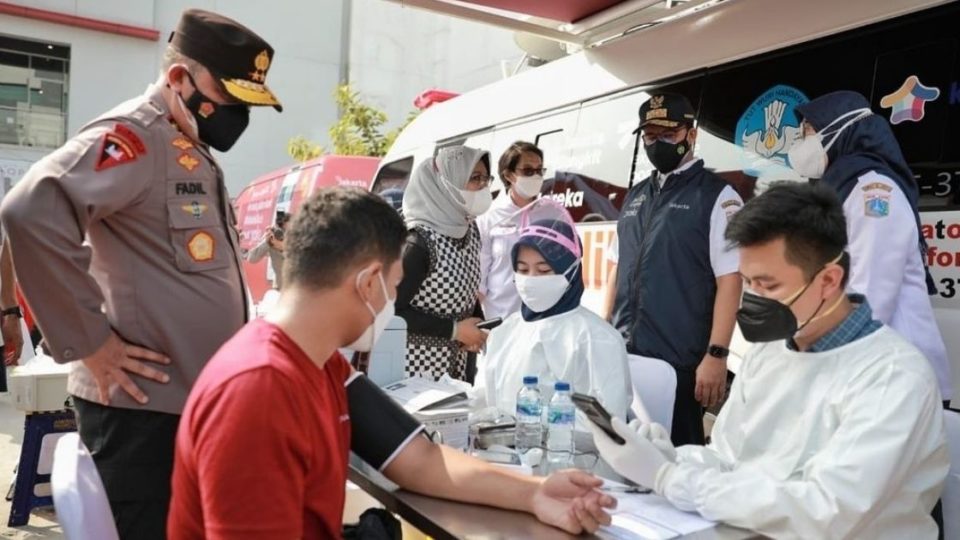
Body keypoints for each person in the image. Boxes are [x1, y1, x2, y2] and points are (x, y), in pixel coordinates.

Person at [167, 188, 617, 538]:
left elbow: (418, 460)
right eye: (395, 286)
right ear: (367, 284)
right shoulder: (258, 391)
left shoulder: (323, 364)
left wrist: (537, 494)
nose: (393, 303)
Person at [0, 10, 282, 538]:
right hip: (141, 417)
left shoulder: (187, 142)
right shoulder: (134, 136)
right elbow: (30, 211)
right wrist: (91, 342)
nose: (238, 116)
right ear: (180, 79)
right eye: (230, 100)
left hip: (182, 409)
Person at [590, 182, 948, 539]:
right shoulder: (770, 352)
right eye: (748, 283)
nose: (752, 299)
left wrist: (670, 478)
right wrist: (668, 458)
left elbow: (827, 512)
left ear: (828, 280)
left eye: (768, 285)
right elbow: (729, 457)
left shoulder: (893, 376)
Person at [790, 90, 952, 404]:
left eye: (808, 132)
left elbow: (871, 296)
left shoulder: (873, 191)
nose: (801, 143)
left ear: (837, 131)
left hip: (897, 381)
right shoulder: (841, 189)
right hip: (868, 374)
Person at [605, 93, 743, 445]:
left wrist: (716, 355)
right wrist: (604, 336)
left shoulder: (718, 196)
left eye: (667, 134)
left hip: (679, 363)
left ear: (691, 135)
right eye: (650, 136)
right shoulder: (635, 196)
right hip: (624, 357)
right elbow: (616, 270)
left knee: (679, 463)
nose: (658, 143)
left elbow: (730, 280)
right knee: (623, 455)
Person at [474, 200, 632, 422]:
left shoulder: (597, 339)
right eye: (522, 270)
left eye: (544, 270)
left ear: (571, 271)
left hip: (571, 454)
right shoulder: (505, 331)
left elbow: (609, 423)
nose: (531, 280)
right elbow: (483, 400)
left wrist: (537, 422)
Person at [397, 146, 492, 380]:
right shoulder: (418, 242)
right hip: (417, 370)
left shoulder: (470, 231)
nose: (483, 186)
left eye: (486, 178)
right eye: (474, 178)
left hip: (458, 365)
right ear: (446, 183)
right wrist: (455, 330)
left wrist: (477, 327)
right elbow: (391, 311)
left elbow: (466, 292)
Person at [477, 141, 546, 320]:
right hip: (501, 320)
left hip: (541, 319)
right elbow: (479, 280)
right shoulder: (489, 217)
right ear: (509, 175)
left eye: (539, 170)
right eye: (528, 171)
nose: (535, 176)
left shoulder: (551, 214)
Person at [245, 209, 290, 290]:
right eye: (282, 230)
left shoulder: (300, 241)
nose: (284, 234)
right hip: (281, 290)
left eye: (288, 230)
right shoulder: (273, 241)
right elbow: (251, 258)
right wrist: (267, 242)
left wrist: (283, 249)